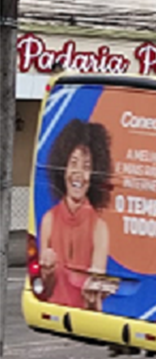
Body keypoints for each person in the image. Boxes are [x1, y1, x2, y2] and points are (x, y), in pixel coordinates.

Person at [39, 119, 113, 310]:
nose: (79, 173)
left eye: (87, 166)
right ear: (63, 168)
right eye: (73, 163)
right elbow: (42, 290)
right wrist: (46, 273)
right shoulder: (49, 219)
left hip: (84, 323)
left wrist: (94, 293)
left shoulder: (99, 228)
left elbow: (96, 302)